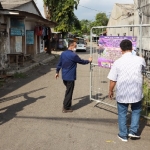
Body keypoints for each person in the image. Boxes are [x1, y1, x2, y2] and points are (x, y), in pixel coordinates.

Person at [107, 39, 146, 142]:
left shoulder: (117, 62)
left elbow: (113, 80)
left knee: (122, 113)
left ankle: (123, 135)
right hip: (136, 92)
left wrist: (110, 91)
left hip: (122, 92)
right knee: (136, 111)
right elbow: (143, 70)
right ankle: (133, 132)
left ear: (121, 49)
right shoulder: (140, 60)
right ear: (132, 48)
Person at [55, 40, 92, 113]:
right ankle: (66, 108)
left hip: (64, 76)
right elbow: (82, 61)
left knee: (68, 91)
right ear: (71, 46)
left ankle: (66, 105)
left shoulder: (63, 53)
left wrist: (57, 72)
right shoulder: (73, 55)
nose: (76, 47)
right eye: (75, 46)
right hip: (70, 77)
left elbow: (59, 63)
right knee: (69, 92)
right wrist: (89, 60)